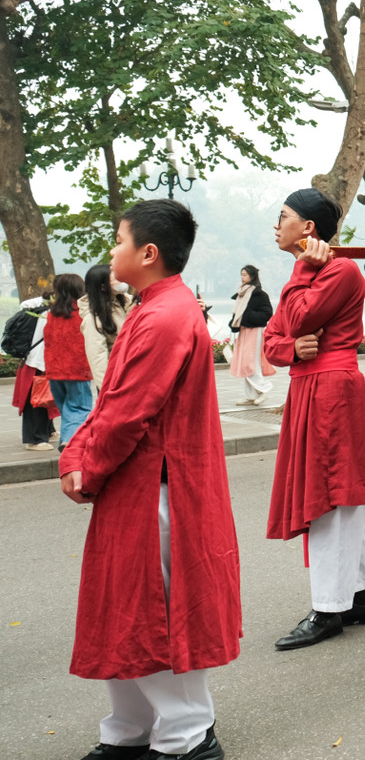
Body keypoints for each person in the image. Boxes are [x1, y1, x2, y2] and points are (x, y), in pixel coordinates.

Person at [61, 199, 238, 760]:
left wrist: (85, 465)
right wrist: (79, 453)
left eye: (119, 239)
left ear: (148, 252)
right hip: (139, 479)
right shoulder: (155, 306)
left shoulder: (163, 315)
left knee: (157, 611)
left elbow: (127, 410)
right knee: (127, 607)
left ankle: (187, 735)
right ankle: (130, 728)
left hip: (156, 483)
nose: (112, 250)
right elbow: (114, 400)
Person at [264, 188, 365, 651]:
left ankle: (330, 608)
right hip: (310, 385)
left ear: (308, 228)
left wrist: (303, 275)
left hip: (333, 386)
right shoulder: (314, 271)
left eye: (284, 217)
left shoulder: (339, 270)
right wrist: (291, 349)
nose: (277, 225)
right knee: (336, 492)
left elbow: (299, 316)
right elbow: (276, 338)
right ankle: (358, 598)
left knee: (333, 494)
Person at [44, 273, 94, 449]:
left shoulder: (52, 313)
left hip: (54, 370)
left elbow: (48, 340)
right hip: (77, 369)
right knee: (79, 408)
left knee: (67, 408)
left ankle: (67, 442)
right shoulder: (83, 312)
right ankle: (70, 441)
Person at [10, 294, 56, 451]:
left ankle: (46, 432)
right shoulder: (48, 314)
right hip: (39, 362)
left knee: (41, 399)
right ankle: (34, 440)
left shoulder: (37, 309)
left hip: (33, 360)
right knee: (37, 400)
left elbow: (25, 304)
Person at [78, 264, 132, 394]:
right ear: (102, 286)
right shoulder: (93, 319)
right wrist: (109, 392)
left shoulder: (125, 302)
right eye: (116, 278)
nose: (122, 280)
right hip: (115, 384)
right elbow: (98, 359)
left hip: (131, 377)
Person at [227, 264, 275, 406]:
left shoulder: (259, 294)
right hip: (243, 330)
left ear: (252, 276)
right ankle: (251, 395)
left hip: (255, 330)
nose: (242, 278)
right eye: (241, 275)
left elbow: (267, 313)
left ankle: (264, 389)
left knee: (251, 362)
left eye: (245, 275)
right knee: (244, 362)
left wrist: (248, 316)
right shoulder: (241, 293)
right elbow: (237, 314)